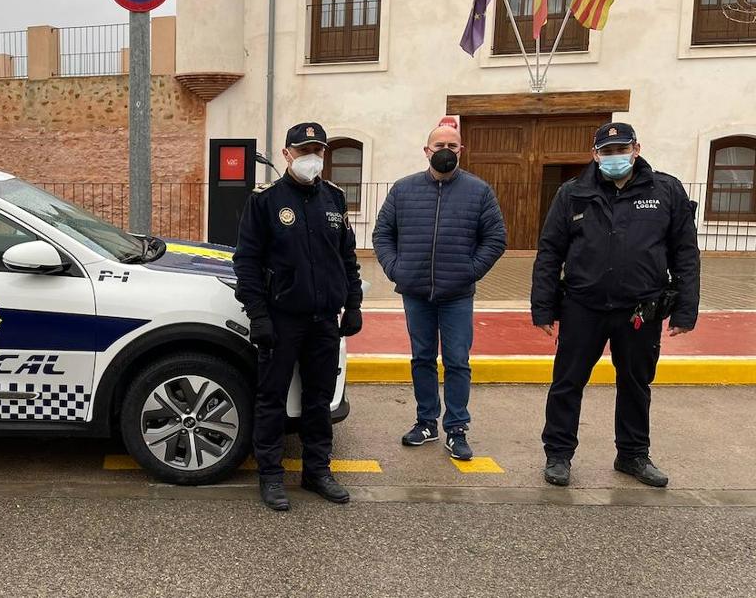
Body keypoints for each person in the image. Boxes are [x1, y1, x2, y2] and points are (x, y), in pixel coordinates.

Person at [532, 122, 700, 488]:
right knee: (567, 382)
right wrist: (543, 307)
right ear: (595, 155)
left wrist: (686, 309)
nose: (614, 157)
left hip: (640, 310)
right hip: (582, 306)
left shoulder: (665, 190)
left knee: (636, 384)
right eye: (606, 152)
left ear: (636, 149)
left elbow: (685, 253)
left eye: (621, 149)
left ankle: (633, 454)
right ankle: (558, 454)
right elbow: (550, 251)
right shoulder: (573, 192)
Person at [233, 122, 363, 512]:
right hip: (282, 318)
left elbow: (347, 257)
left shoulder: (334, 200)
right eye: (304, 150)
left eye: (318, 150)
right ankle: (271, 476)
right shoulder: (266, 200)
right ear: (287, 154)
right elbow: (247, 261)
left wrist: (353, 303)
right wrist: (258, 315)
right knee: (271, 398)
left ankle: (317, 472)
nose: (312, 157)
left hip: (324, 319)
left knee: (319, 399)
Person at [372, 124, 506, 461]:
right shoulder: (403, 191)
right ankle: (426, 422)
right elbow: (382, 234)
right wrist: (395, 268)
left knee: (458, 361)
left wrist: (469, 270)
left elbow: (496, 238)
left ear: (461, 150)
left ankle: (457, 428)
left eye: (452, 144)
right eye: (438, 144)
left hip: (457, 294)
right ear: (426, 150)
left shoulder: (479, 191)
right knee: (422, 358)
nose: (445, 149)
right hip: (415, 292)